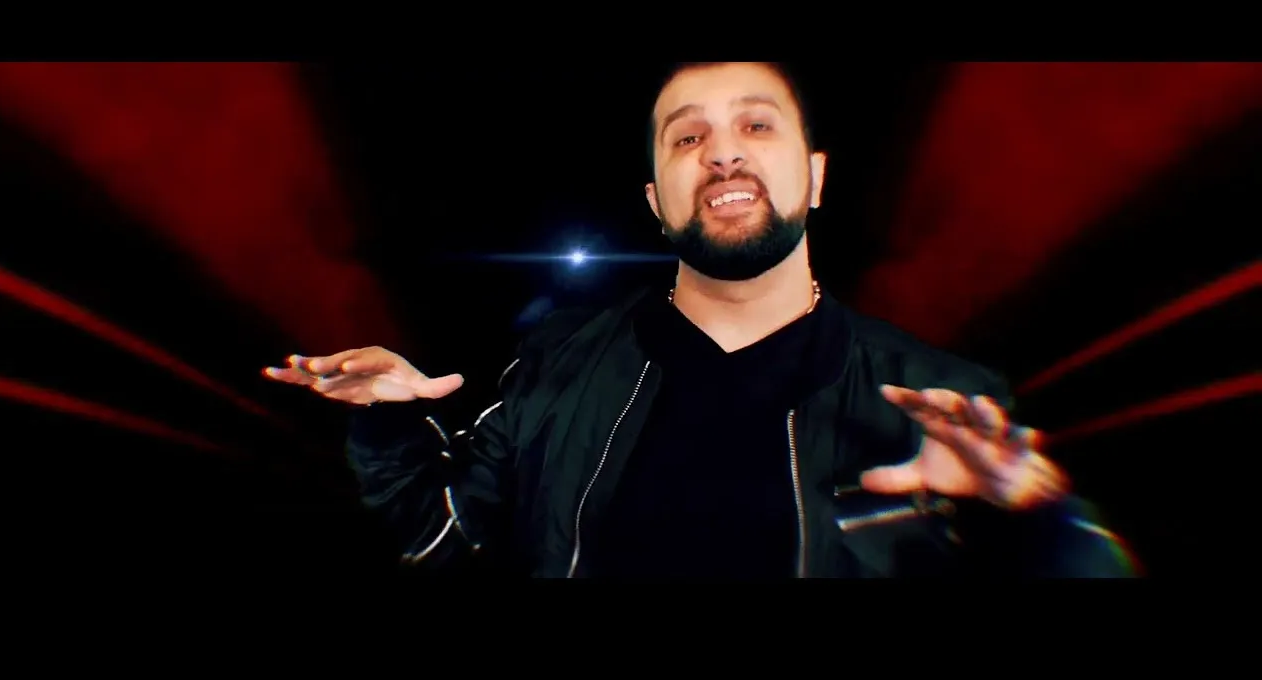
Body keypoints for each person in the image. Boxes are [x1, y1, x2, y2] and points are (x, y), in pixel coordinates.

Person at [264, 62, 1135, 578]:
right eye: (687, 138)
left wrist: (1036, 517)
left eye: (757, 126)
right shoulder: (558, 364)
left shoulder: (941, 398)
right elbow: (447, 541)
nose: (722, 152)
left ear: (816, 177)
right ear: (657, 200)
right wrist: (386, 423)